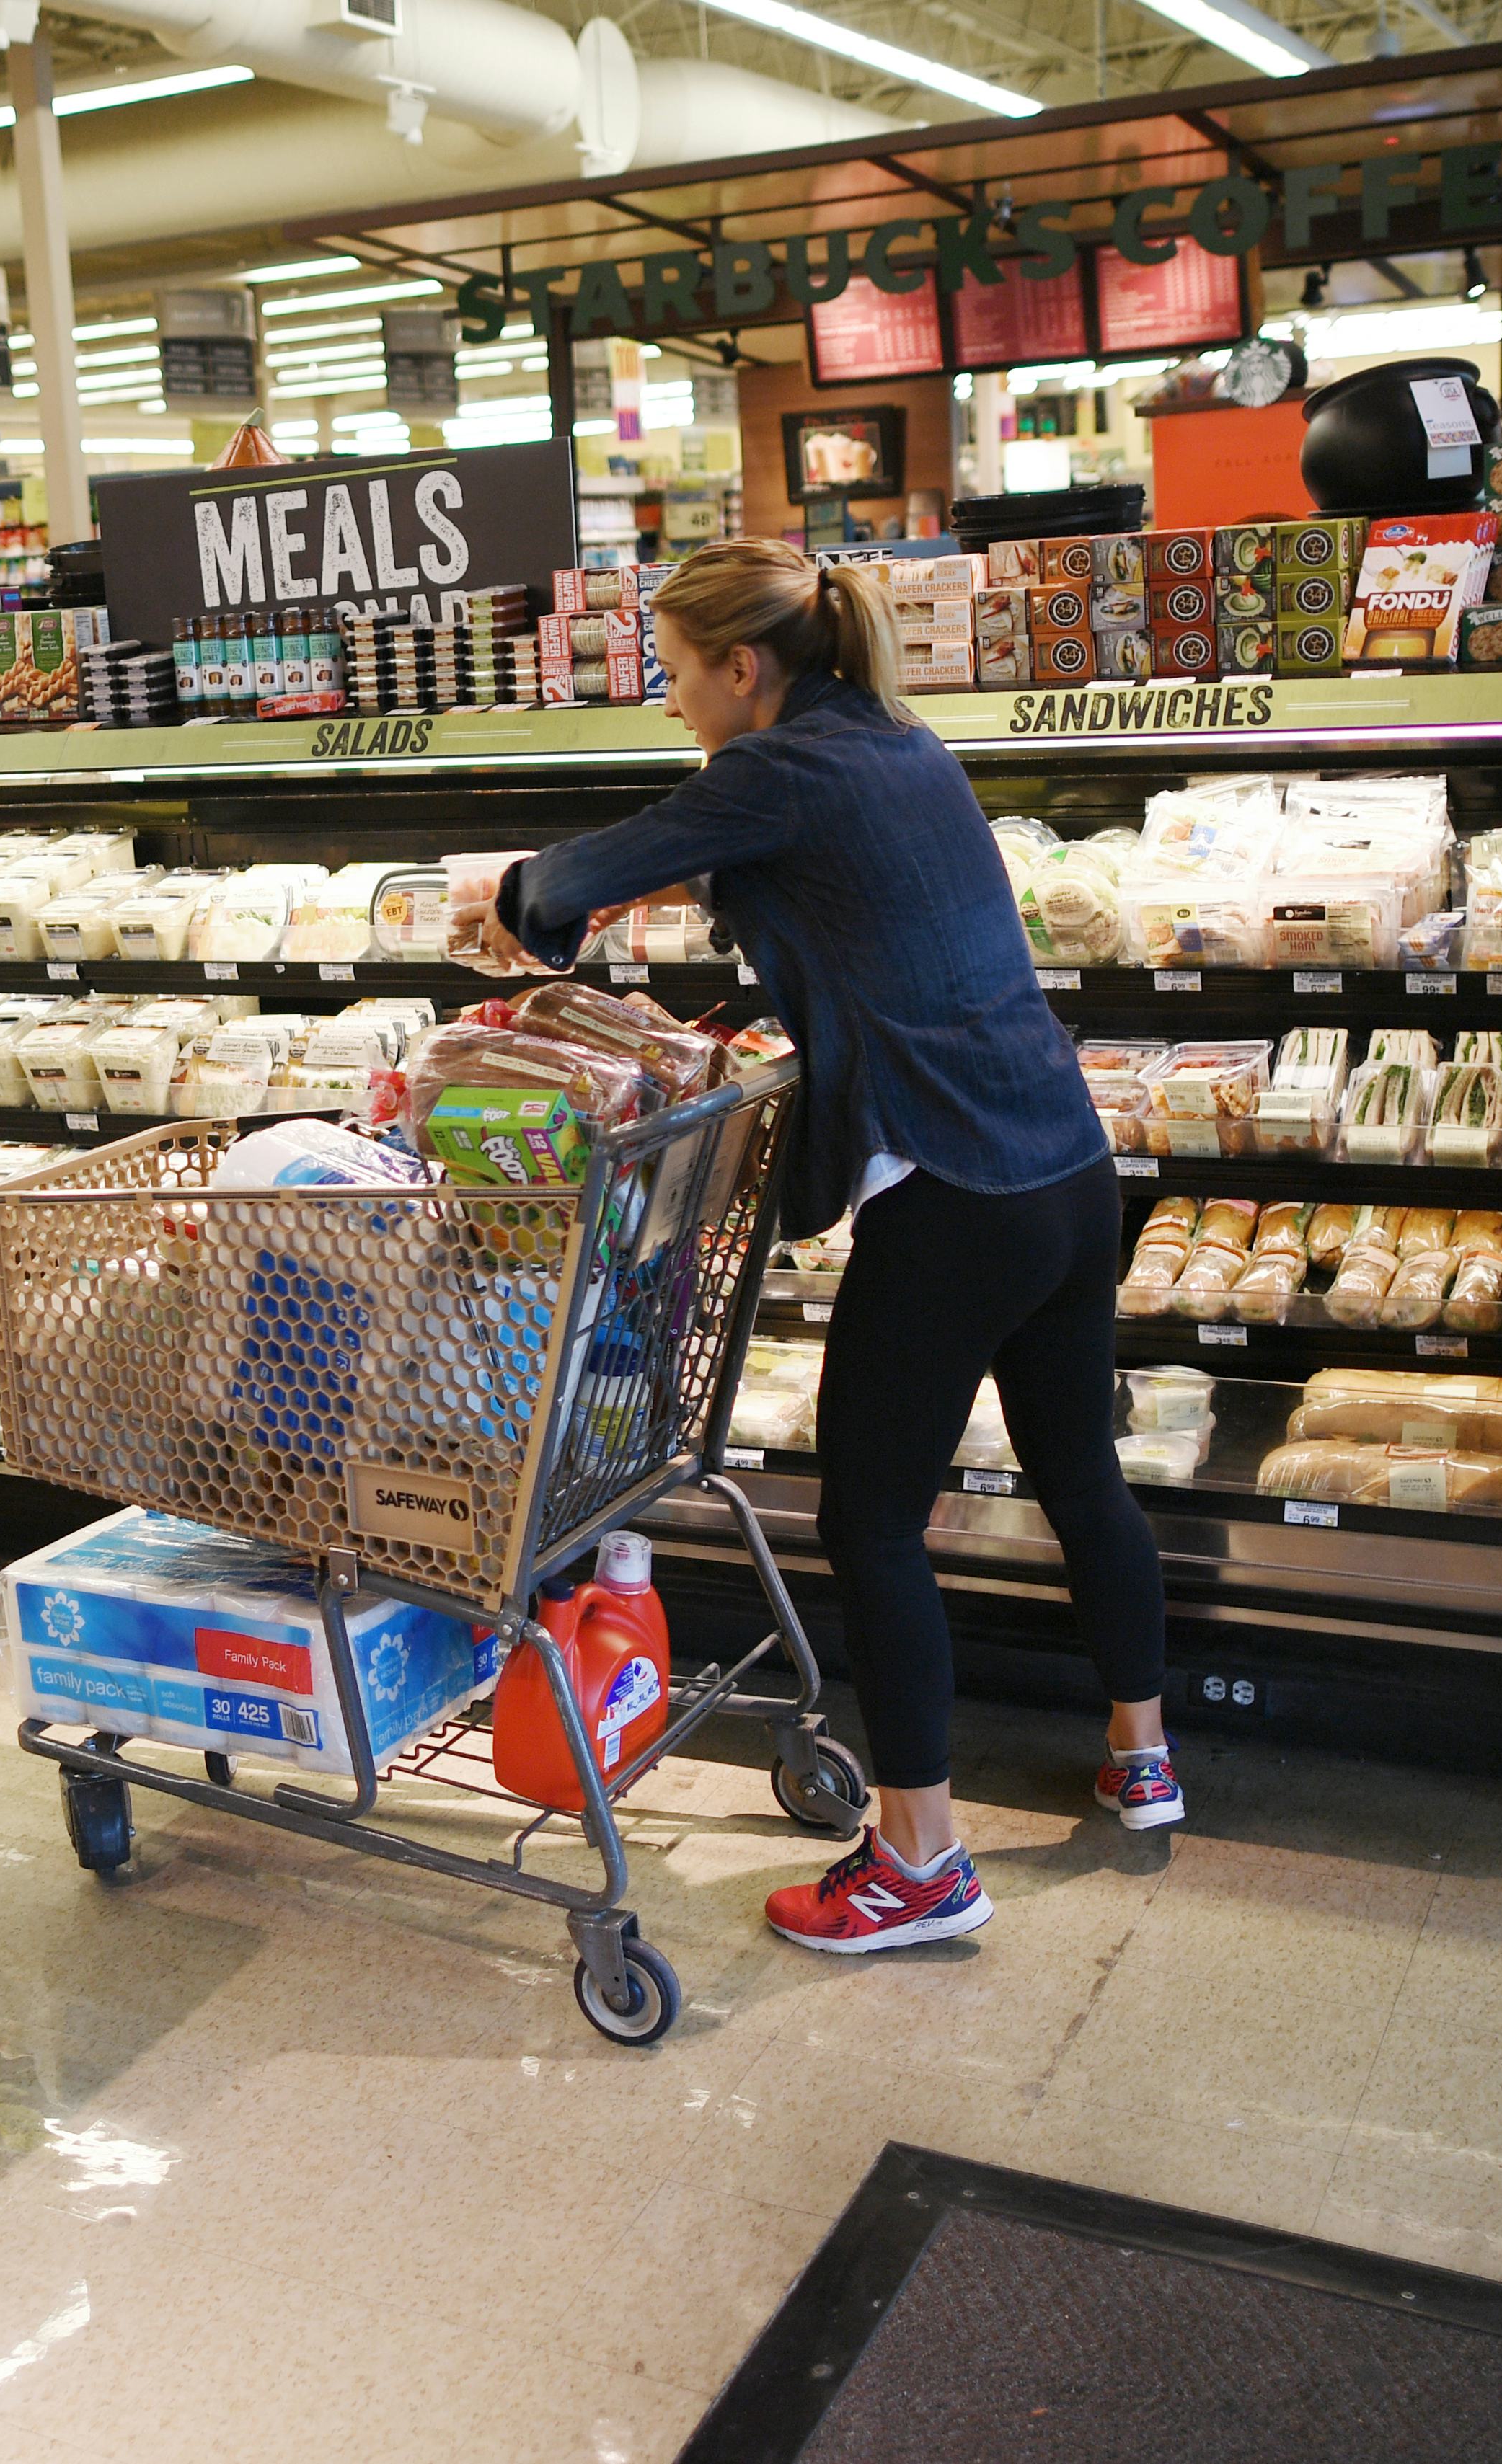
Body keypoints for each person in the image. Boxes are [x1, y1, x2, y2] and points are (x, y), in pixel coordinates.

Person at [480, 538, 1181, 1954]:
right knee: (1079, 1471)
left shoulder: (769, 770)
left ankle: (921, 1860)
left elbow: (563, 884)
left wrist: (510, 905)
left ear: (745, 667)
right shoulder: (897, 740)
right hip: (1065, 1164)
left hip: (958, 1195)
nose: (674, 702)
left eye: (676, 674)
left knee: (868, 1519)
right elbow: (841, 894)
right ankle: (1144, 1752)